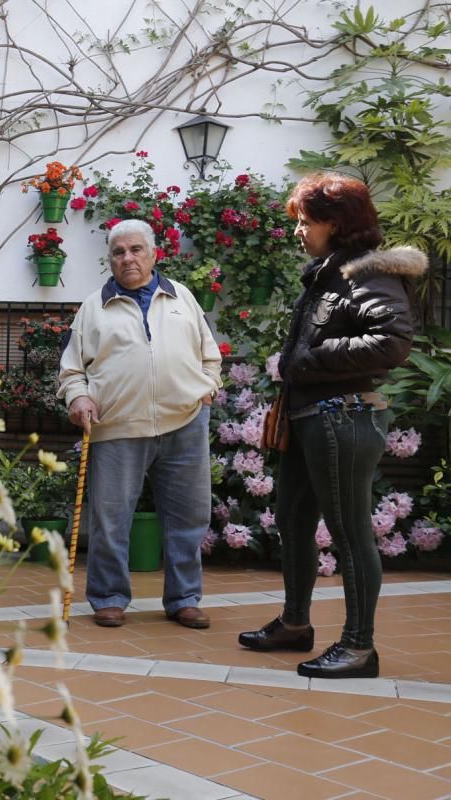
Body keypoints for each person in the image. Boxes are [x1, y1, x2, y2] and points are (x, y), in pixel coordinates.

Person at [237, 173, 425, 679]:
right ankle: (296, 623)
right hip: (315, 416)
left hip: (344, 415)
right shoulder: (331, 272)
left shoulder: (369, 275)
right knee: (293, 520)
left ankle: (359, 648)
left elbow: (393, 341)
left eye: (306, 221)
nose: (299, 231)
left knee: (349, 533)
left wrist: (315, 357)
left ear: (336, 223)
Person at [58, 218, 222, 629]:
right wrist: (78, 395)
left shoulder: (182, 296)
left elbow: (210, 353)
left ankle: (184, 598)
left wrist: (209, 387)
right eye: (118, 252)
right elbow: (72, 369)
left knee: (189, 517)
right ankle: (110, 597)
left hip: (184, 422)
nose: (127, 258)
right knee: (111, 519)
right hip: (118, 426)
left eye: (136, 250)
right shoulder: (93, 307)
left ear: (153, 254)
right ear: (110, 259)